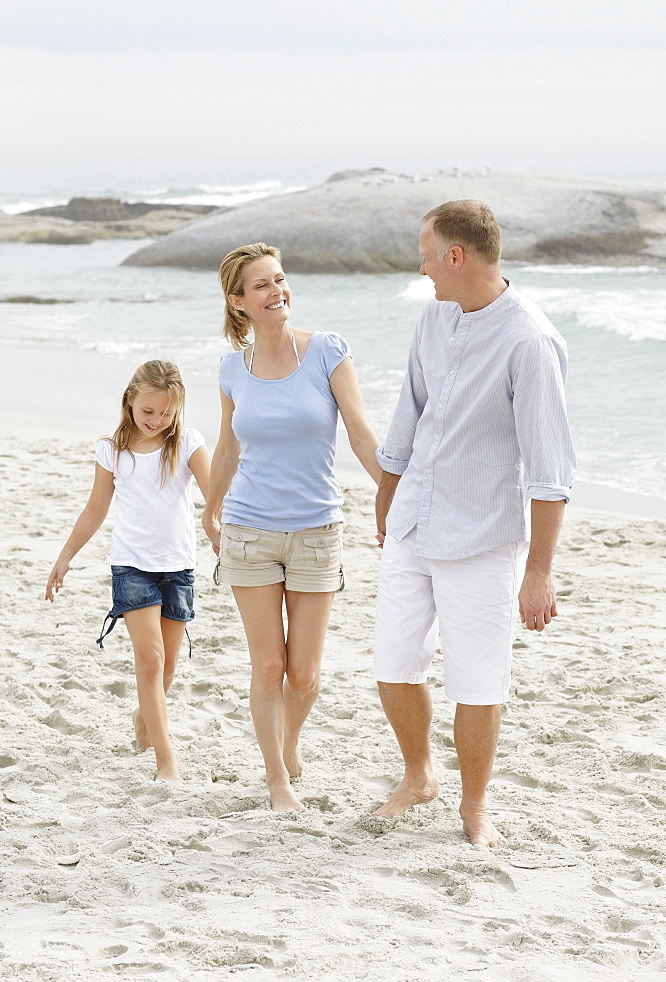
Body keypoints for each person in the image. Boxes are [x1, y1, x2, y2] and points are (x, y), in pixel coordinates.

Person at [373, 200, 576, 846]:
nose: (422, 266)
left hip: (484, 538)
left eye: (427, 253)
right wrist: (387, 498)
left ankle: (474, 807)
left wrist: (539, 572)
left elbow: (549, 471)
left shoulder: (531, 342)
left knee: (476, 681)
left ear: (456, 257)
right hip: (413, 525)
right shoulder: (433, 319)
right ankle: (418, 775)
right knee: (393, 664)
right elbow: (409, 417)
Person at [203, 242, 382, 812]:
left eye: (279, 280)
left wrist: (392, 492)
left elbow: (358, 432)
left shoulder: (327, 351)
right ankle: (276, 778)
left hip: (316, 530)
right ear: (239, 303)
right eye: (262, 286)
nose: (277, 291)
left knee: (304, 674)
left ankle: (289, 742)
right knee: (269, 665)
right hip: (250, 530)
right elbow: (228, 449)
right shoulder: (233, 368)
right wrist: (211, 507)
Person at [45, 360, 210, 782]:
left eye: (166, 413)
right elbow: (96, 508)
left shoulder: (188, 443)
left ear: (178, 409)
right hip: (132, 566)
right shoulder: (112, 450)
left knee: (168, 667)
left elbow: (216, 496)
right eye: (148, 412)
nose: (157, 421)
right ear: (130, 402)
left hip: (178, 568)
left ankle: (144, 716)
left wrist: (225, 527)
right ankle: (166, 761)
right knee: (151, 661)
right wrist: (65, 556)